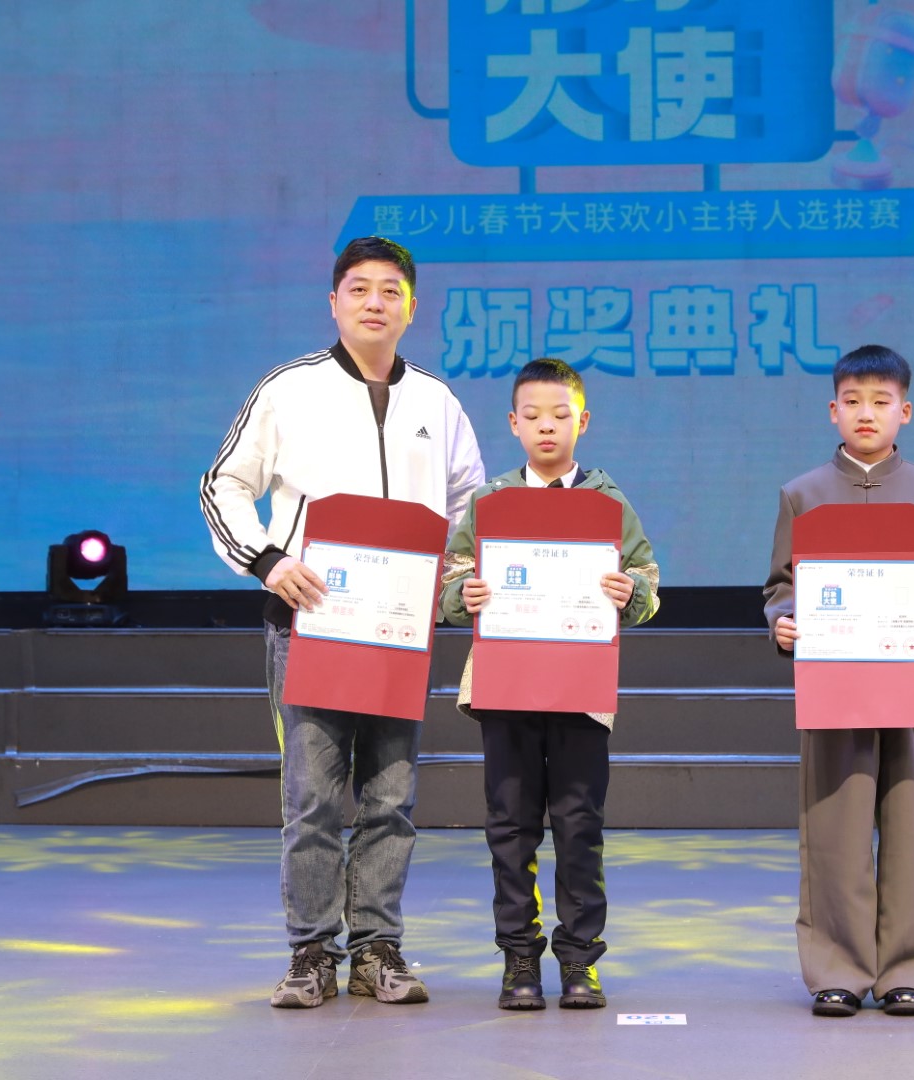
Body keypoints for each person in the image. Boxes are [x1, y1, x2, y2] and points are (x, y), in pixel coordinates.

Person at [199, 236, 485, 1009]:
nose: (374, 303)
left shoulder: (438, 403)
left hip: (398, 628)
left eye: (391, 290)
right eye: (359, 289)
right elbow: (223, 484)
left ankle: (377, 949)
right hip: (311, 621)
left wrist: (452, 582)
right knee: (314, 799)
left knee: (391, 799)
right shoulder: (289, 389)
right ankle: (311, 953)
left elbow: (469, 507)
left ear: (411, 308)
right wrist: (267, 561)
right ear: (333, 303)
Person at [438, 357, 659, 1011]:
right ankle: (519, 959)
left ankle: (580, 959)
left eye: (560, 415)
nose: (546, 426)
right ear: (513, 423)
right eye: (532, 415)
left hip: (581, 689)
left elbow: (647, 579)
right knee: (510, 825)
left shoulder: (608, 502)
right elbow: (452, 577)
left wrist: (630, 591)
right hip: (505, 685)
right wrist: (462, 593)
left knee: (578, 825)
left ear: (582, 422)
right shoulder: (490, 502)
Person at [762, 344, 914, 1018]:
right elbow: (780, 587)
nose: (866, 413)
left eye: (881, 402)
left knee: (913, 824)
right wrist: (784, 622)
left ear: (905, 411)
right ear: (833, 409)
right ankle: (838, 970)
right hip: (834, 683)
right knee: (834, 826)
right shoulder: (802, 494)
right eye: (853, 401)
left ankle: (908, 970)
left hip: (911, 683)